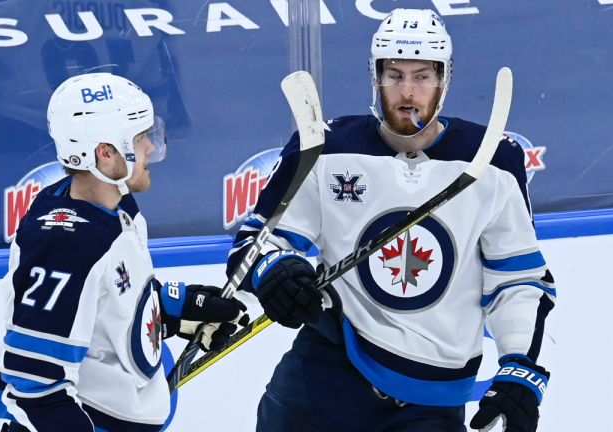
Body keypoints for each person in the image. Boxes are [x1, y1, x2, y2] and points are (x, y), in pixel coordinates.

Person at [227, 9, 555, 432]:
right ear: (375, 77)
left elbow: (517, 281)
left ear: (444, 79)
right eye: (394, 75)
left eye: (422, 76)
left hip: (432, 399)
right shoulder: (325, 150)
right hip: (326, 373)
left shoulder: (494, 161)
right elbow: (254, 245)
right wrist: (275, 269)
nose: (407, 92)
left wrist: (519, 367)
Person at [0, 72, 248, 432]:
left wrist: (169, 309)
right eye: (141, 137)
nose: (150, 147)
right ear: (105, 152)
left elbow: (100, 297)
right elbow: (36, 385)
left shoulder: (112, 206)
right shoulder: (65, 243)